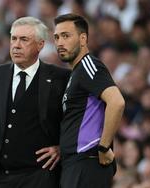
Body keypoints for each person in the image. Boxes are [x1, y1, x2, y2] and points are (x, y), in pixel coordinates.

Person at [0, 16, 70, 188]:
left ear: (40, 44)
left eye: (24, 39)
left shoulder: (60, 78)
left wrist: (61, 148)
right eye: (13, 39)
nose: (16, 45)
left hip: (39, 176)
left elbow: (73, 121)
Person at [53, 13, 125, 188]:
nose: (59, 43)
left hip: (87, 161)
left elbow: (116, 102)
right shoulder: (75, 73)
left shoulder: (88, 65)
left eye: (66, 36)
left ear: (83, 38)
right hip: (75, 163)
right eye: (56, 37)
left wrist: (104, 147)